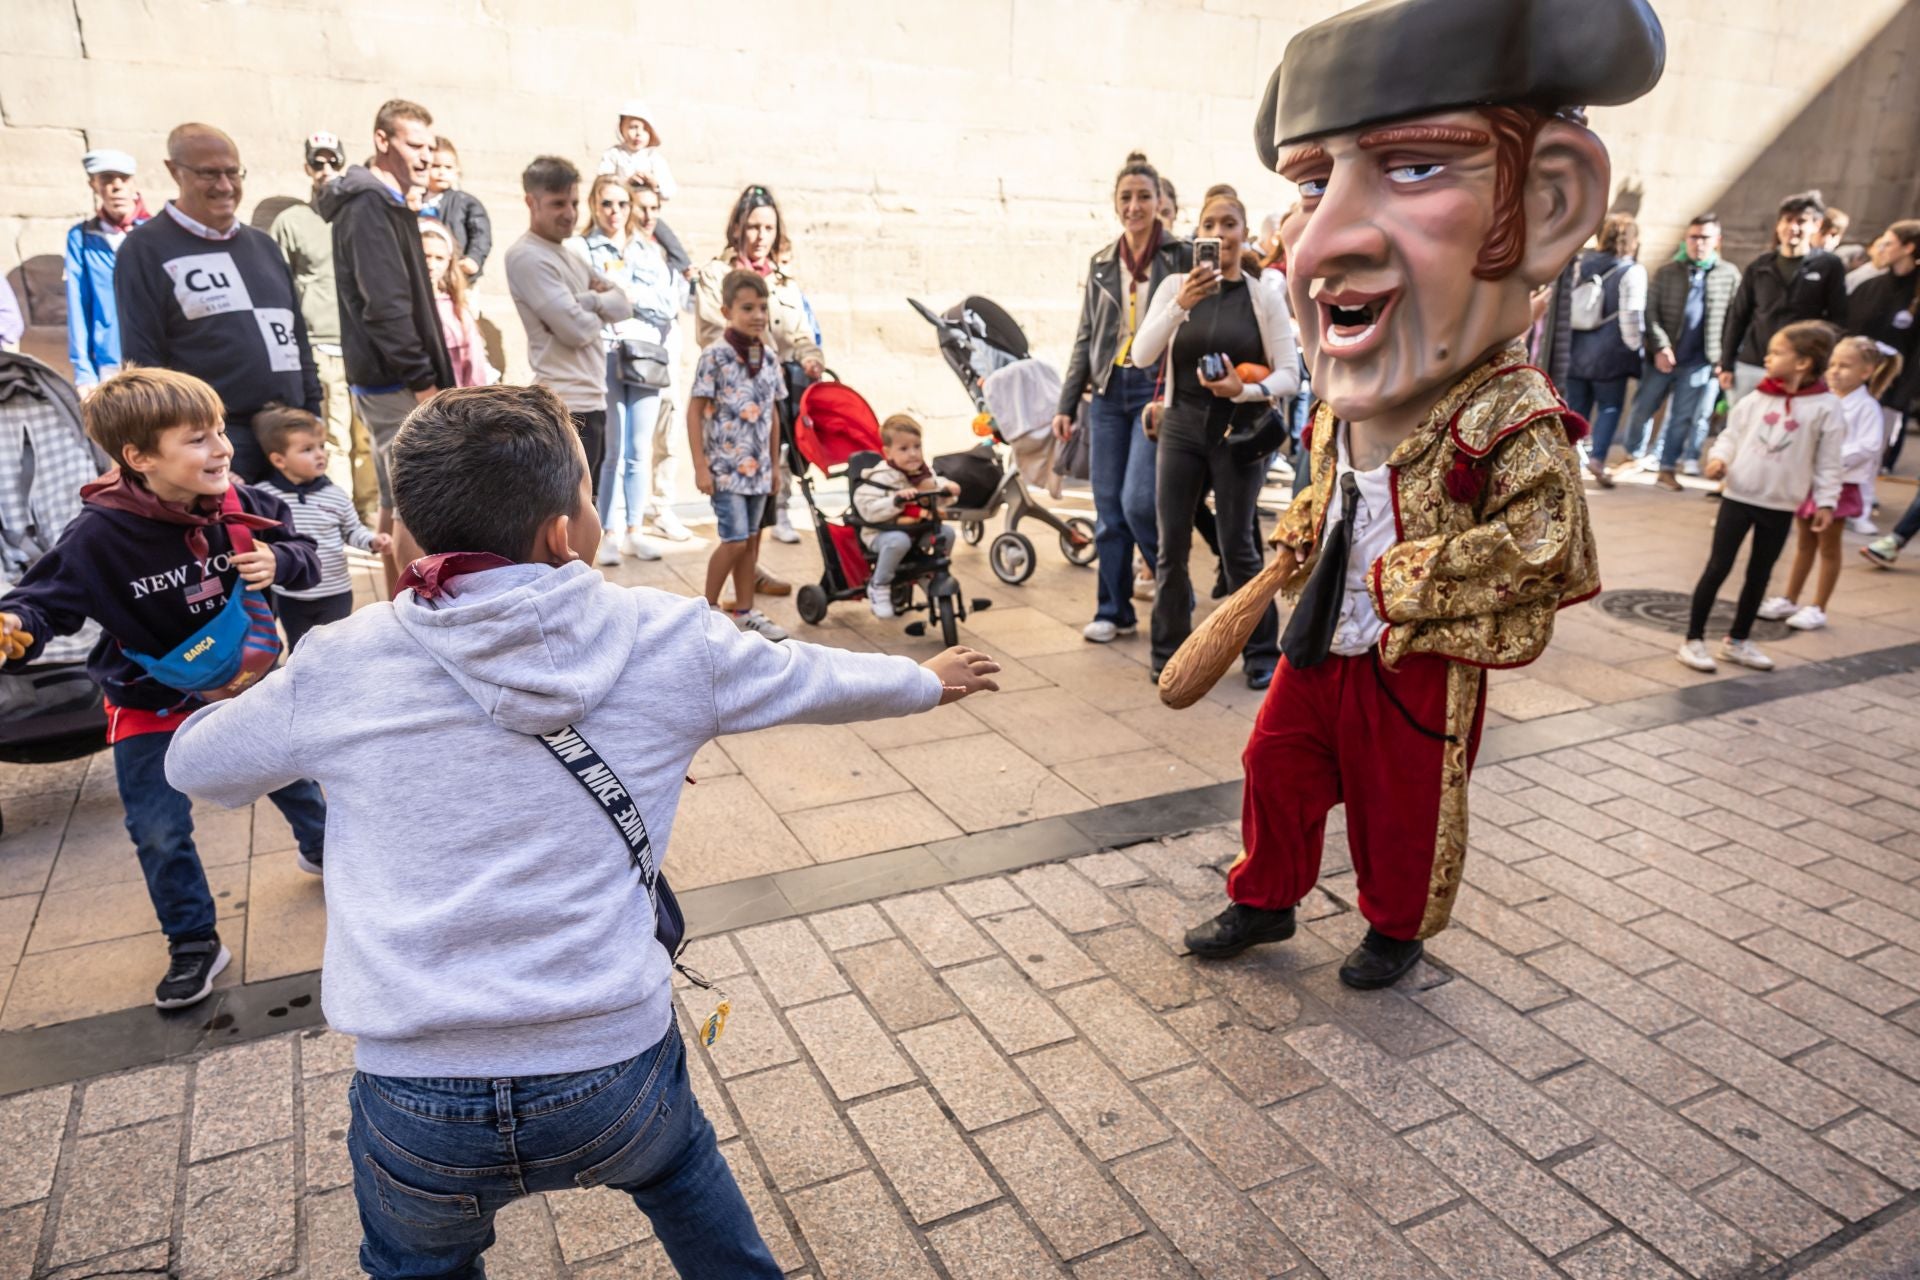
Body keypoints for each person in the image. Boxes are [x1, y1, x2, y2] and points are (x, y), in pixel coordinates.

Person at [161, 381, 1001, 1280]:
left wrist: (252, 697)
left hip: (416, 1088)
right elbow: (811, 678)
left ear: (404, 535)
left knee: (419, 1267)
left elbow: (196, 768)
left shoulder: (344, 661)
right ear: (566, 534)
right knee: (678, 1171)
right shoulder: (669, 637)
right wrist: (925, 680)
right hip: (612, 1065)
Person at [1169, 0, 1638, 989]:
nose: (1319, 241)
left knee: (1405, 795)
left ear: (1548, 204)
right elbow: (1337, 488)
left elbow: (1545, 540)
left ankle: (1395, 925)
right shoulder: (1346, 394)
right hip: (1321, 630)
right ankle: (1266, 897)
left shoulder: (1510, 408)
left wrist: (1407, 577)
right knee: (1276, 762)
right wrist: (1303, 530)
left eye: (1417, 166)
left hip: (1413, 649)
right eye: (1310, 184)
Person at [0, 367, 327, 1010]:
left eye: (219, 432)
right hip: (147, 698)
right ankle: (193, 941)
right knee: (157, 831)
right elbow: (42, 603)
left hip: (245, 688)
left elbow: (306, 553)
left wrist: (280, 561)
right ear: (140, 457)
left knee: (293, 778)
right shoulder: (98, 536)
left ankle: (327, 852)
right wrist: (14, 628)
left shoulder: (245, 503)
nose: (222, 448)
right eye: (197, 439)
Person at [1129, 184, 1299, 690]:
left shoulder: (1262, 295)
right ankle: (1169, 654)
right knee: (1171, 547)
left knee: (1239, 547)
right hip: (1181, 427)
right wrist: (1180, 305)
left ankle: (1260, 653)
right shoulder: (1173, 287)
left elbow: (1290, 375)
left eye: (1229, 224)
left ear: (1244, 233)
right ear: (1196, 234)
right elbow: (1141, 355)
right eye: (1210, 225)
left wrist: (1244, 389)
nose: (1219, 234)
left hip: (1238, 431)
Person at [115, 124, 320, 484]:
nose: (225, 185)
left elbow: (296, 336)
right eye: (209, 173)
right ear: (174, 171)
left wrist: (312, 414)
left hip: (289, 436)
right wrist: (187, 448)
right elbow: (144, 361)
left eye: (232, 172)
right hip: (217, 441)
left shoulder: (264, 247)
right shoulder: (145, 248)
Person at [1050, 152, 1191, 645]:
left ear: (1159, 201)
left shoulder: (1181, 256)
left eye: (1144, 196)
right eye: (1126, 197)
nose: (1135, 206)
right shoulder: (1103, 263)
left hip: (1157, 389)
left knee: (1138, 502)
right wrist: (1067, 404)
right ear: (1115, 204)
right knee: (1108, 508)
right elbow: (1086, 335)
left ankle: (1175, 591)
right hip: (1109, 391)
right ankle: (1113, 610)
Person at [316, 98, 454, 586]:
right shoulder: (369, 204)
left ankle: (401, 600)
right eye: (414, 145)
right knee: (417, 502)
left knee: (395, 498)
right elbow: (386, 307)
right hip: (396, 380)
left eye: (430, 147)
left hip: (388, 378)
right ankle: (418, 603)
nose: (425, 156)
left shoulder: (382, 200)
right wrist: (423, 382)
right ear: (382, 140)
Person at [1677, 322, 1843, 673]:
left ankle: (1737, 640)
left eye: (1777, 352)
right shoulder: (1757, 397)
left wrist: (1826, 501)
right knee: (1717, 567)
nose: (1768, 358)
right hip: (1739, 497)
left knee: (1760, 574)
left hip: (1780, 504)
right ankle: (1693, 640)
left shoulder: (1827, 406)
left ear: (1803, 363)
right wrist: (1719, 459)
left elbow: (1829, 461)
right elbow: (1731, 435)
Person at [694, 185, 823, 556]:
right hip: (735, 394)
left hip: (778, 384)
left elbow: (801, 333)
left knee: (779, 458)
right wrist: (761, 351)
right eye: (753, 227)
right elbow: (710, 330)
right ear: (737, 227)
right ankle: (737, 563)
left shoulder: (784, 279)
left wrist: (811, 358)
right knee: (736, 509)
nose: (760, 236)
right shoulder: (716, 274)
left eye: (768, 228)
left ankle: (774, 522)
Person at [567, 175, 682, 566]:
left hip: (646, 355)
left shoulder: (648, 250)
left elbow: (667, 304)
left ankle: (635, 530)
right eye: (607, 204)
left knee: (639, 448)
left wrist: (625, 296)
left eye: (621, 204)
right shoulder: (583, 247)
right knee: (612, 450)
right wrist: (614, 300)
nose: (614, 212)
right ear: (594, 206)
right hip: (608, 353)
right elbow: (582, 301)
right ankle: (611, 532)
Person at [505, 156, 631, 508]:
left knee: (586, 509)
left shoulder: (569, 254)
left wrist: (585, 301)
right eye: (558, 203)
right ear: (531, 202)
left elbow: (624, 304)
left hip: (591, 400)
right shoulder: (528, 256)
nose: (570, 214)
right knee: (569, 516)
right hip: (566, 404)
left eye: (574, 203)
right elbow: (575, 330)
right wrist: (597, 309)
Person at [1760, 337, 1901, 627]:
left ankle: (1818, 607)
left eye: (1845, 366)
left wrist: (1829, 459)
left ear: (1866, 371)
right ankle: (1789, 598)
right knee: (1804, 544)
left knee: (1828, 547)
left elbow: (1869, 447)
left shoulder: (1867, 407)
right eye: (1832, 364)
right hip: (1810, 482)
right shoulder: (1822, 399)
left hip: (1839, 486)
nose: (1835, 371)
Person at [270, 130, 373, 511]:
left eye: (334, 161)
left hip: (364, 346)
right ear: (307, 167)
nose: (326, 168)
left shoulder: (360, 218)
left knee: (368, 439)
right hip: (320, 345)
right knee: (333, 438)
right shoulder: (290, 221)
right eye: (318, 161)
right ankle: (341, 515)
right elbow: (276, 286)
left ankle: (371, 516)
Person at [688, 270, 787, 640]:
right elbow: (694, 412)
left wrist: (774, 466)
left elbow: (773, 413)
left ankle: (745, 611)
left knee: (750, 543)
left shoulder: (769, 357)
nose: (758, 315)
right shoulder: (714, 356)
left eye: (762, 307)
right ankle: (706, 610)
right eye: (747, 308)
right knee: (735, 541)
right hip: (726, 470)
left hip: (759, 471)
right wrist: (701, 466)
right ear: (727, 311)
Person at [253, 404, 389, 650]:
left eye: (321, 446)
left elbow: (351, 531)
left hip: (335, 592)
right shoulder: (265, 497)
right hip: (290, 595)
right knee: (299, 648)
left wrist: (371, 541)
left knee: (335, 648)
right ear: (279, 460)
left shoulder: (335, 495)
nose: (320, 454)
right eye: (307, 449)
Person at [1623, 213, 1741, 490]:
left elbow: (1735, 319)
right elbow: (1650, 312)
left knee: (1682, 418)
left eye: (1705, 238)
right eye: (1694, 237)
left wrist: (1723, 358)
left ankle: (1667, 468)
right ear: (1686, 239)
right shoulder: (1668, 272)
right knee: (1643, 407)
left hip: (1700, 361)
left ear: (1717, 240)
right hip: (1662, 357)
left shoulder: (1729, 274)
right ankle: (1633, 456)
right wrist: (1661, 346)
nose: (1698, 243)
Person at [1720, 191, 1848, 405]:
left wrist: (1826, 364)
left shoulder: (1829, 266)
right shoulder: (1760, 266)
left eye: (1801, 221)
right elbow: (1738, 316)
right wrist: (1726, 363)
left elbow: (1838, 320)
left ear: (1816, 225)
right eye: (1788, 220)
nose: (1793, 227)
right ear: (1779, 224)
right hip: (1753, 364)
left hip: (1799, 369)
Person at [1565, 214, 1646, 487]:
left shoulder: (1580, 262)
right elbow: (1631, 315)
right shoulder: (1631, 271)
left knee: (1576, 408)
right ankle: (1597, 458)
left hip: (1576, 348)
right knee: (1610, 407)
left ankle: (1570, 459)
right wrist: (1635, 347)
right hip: (1610, 353)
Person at [854, 414, 960, 618]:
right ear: (888, 453)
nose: (913, 454)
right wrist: (895, 501)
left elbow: (936, 488)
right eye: (904, 449)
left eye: (917, 447)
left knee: (946, 533)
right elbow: (867, 508)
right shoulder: (880, 477)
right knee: (898, 540)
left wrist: (947, 489)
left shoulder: (923, 473)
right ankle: (879, 585)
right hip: (880, 534)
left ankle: (929, 571)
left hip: (916, 532)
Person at [64, 149, 150, 394]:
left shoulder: (155, 233)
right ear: (94, 185)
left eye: (123, 179)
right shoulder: (82, 237)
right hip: (109, 359)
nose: (116, 187)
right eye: (107, 179)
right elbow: (78, 302)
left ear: (134, 183)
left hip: (154, 354)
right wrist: (83, 370)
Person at [1843, 220, 1920, 473]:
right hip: (1854, 387)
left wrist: (1902, 398)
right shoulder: (1869, 287)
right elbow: (1848, 332)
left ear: (1908, 248)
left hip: (1892, 392)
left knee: (1872, 460)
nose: (1880, 249)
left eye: (1888, 244)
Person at [419, 220, 495, 388]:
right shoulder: (401, 308)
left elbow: (474, 365)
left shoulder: (456, 308)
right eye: (425, 256)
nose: (432, 265)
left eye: (439, 258)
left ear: (449, 262)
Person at [421, 136, 491, 281]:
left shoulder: (466, 203)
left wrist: (474, 258)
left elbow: (480, 234)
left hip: (455, 275)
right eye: (435, 166)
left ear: (457, 171)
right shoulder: (413, 199)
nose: (441, 172)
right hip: (421, 272)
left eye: (448, 167)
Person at [597, 100, 678, 202]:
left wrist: (655, 184)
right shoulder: (613, 154)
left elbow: (669, 192)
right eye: (633, 127)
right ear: (622, 129)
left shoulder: (653, 157)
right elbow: (602, 185)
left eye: (645, 129)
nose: (638, 133)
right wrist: (626, 183)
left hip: (646, 206)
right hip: (623, 205)